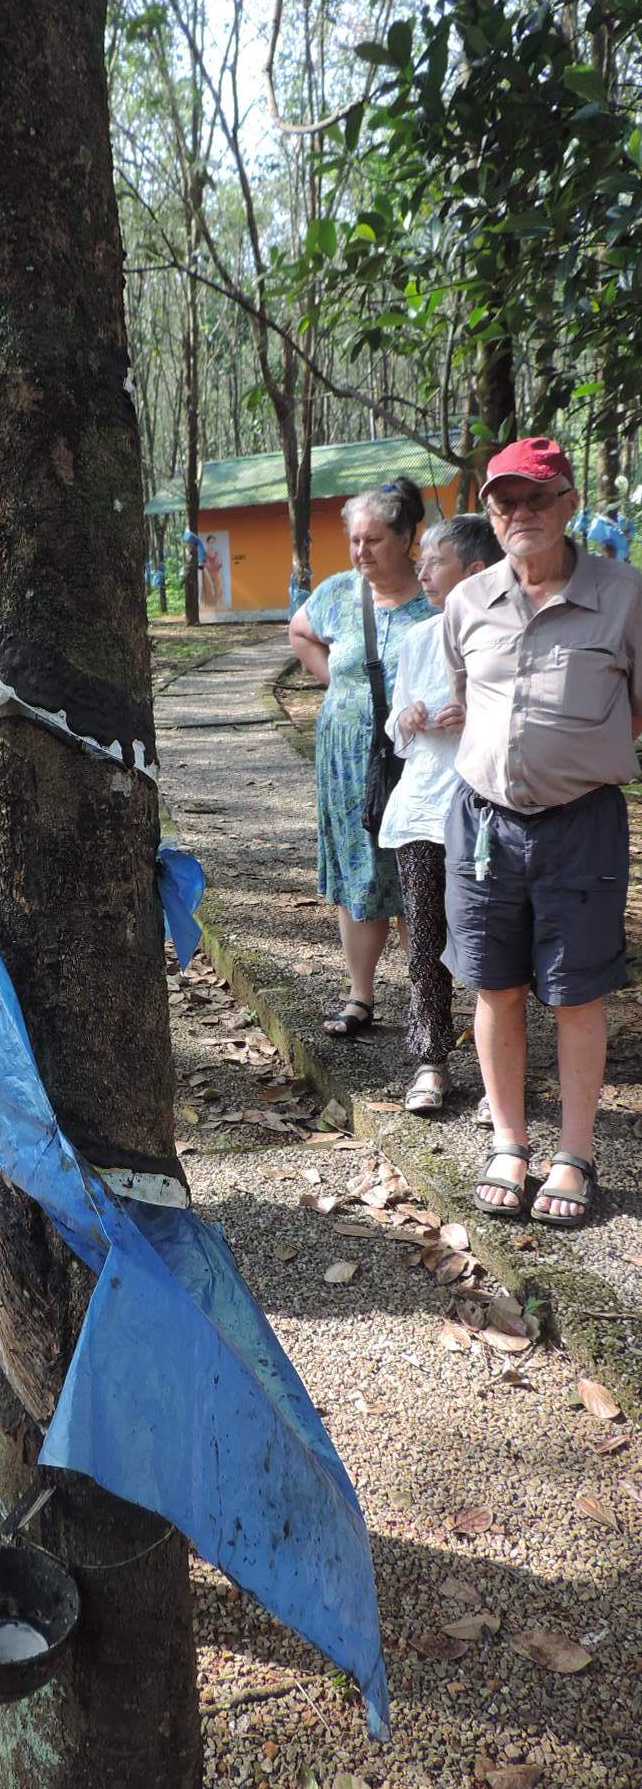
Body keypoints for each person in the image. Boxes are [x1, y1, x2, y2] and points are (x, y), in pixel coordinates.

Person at [442, 436, 642, 1225]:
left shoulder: (625, 594)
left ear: (568, 500)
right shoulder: (465, 600)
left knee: (577, 991)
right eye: (504, 501)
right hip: (484, 824)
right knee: (496, 984)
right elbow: (467, 698)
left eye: (535, 497)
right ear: (489, 514)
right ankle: (509, 1143)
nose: (520, 513)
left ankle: (576, 1153)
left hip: (582, 824)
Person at [290, 477, 433, 1037]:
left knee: (417, 878)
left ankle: (429, 1006)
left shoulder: (435, 598)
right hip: (347, 762)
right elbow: (300, 631)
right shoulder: (338, 593)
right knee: (358, 876)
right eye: (354, 540)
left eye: (373, 539)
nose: (360, 551)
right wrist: (336, 688)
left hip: (417, 759)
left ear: (405, 536)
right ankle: (360, 996)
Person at [378, 515, 503, 1112]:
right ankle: (431, 1060)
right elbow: (396, 725)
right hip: (424, 806)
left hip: (489, 810)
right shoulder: (416, 639)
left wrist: (472, 714)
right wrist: (404, 722)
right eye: (421, 562)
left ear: (475, 572)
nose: (421, 571)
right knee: (425, 940)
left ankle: (498, 1076)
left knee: (490, 946)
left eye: (435, 562)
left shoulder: (509, 637)